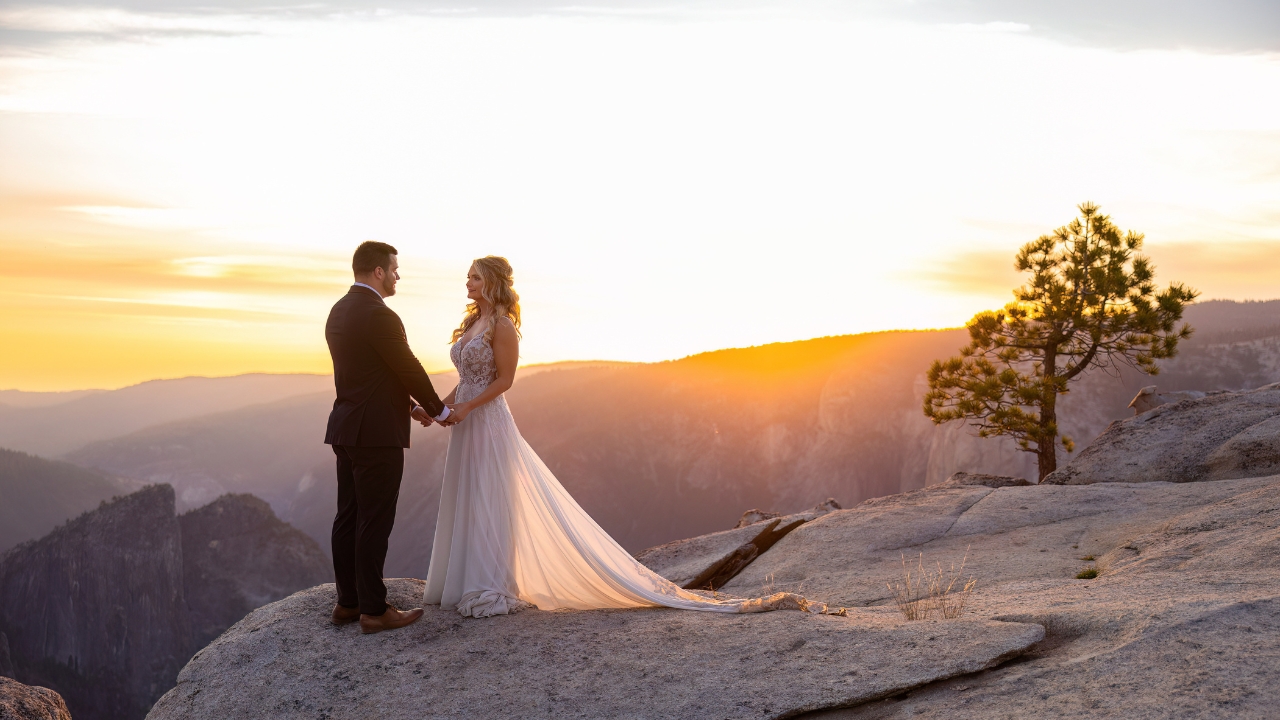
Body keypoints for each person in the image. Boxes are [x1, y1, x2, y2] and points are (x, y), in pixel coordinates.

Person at [423, 256, 832, 618]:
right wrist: (439, 408)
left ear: (492, 281)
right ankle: (461, 580)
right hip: (466, 421)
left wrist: (467, 409)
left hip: (488, 421)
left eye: (474, 277)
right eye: (468, 277)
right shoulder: (472, 322)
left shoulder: (503, 326)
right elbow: (467, 380)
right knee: (468, 494)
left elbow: (505, 380)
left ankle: (492, 580)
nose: (468, 282)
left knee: (492, 497)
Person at [324, 241, 452, 634]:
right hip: (376, 435)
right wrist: (438, 408)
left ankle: (348, 602)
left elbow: (368, 374)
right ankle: (375, 611)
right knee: (374, 521)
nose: (398, 276)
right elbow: (407, 366)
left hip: (346, 428)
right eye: (394, 269)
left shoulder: (339, 310)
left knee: (348, 516)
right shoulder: (381, 315)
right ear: (378, 271)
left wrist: (409, 406)